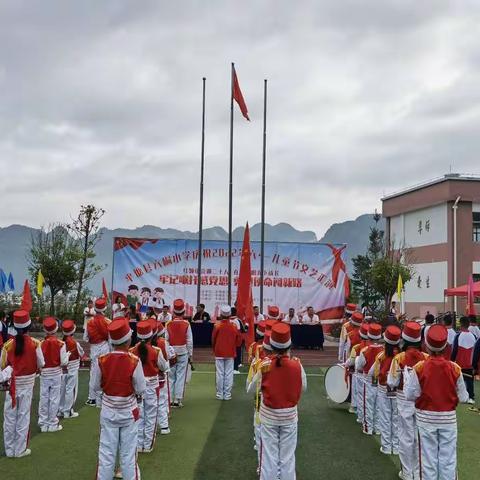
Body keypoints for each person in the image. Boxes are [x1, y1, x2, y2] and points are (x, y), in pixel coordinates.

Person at [404, 324, 469, 480]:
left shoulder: (419, 367)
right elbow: (464, 397)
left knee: (427, 461)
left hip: (425, 419)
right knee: (448, 460)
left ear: (426, 344)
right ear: (445, 345)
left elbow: (410, 395)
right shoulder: (455, 368)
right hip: (448, 419)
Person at [247, 323, 307, 480]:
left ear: (271, 346)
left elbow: (252, 388)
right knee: (287, 458)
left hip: (269, 416)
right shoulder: (297, 365)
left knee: (269, 457)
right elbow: (304, 387)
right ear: (289, 345)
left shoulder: (264, 366)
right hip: (289, 416)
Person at [95, 319, 146, 480]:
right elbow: (141, 389)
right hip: (129, 411)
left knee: (106, 454)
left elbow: (95, 386)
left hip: (109, 410)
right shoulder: (134, 360)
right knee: (128, 454)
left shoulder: (102, 359)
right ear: (128, 340)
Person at [388, 321, 428, 480]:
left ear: (404, 339)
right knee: (419, 437)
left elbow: (391, 382)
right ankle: (418, 474)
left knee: (405, 436)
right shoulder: (426, 357)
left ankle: (407, 472)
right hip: (421, 401)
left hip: (404, 399)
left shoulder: (399, 357)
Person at [1, 310, 44, 457]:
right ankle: (19, 450)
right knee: (23, 416)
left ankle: (10, 450)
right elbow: (41, 363)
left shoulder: (7, 345)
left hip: (12, 384)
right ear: (29, 326)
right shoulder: (35, 343)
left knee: (9, 418)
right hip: (27, 384)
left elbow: (2, 366)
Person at [130, 321, 168, 453]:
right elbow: (165, 367)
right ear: (151, 336)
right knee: (151, 416)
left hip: (137, 386)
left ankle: (139, 445)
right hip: (152, 385)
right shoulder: (156, 351)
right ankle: (148, 445)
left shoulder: (132, 351)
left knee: (138, 416)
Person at [370, 325, 401, 455]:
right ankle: (396, 446)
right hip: (398, 390)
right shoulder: (401, 355)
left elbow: (374, 372)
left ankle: (387, 446)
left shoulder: (381, 355)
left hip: (383, 388)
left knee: (385, 417)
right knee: (396, 418)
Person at [38, 317, 68, 433]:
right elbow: (64, 362)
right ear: (56, 329)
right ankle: (52, 423)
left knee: (44, 397)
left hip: (45, 373)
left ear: (45, 330)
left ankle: (43, 423)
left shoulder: (40, 343)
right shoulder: (60, 343)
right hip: (56, 373)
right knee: (54, 398)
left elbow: (39, 361)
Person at [355, 323, 384, 435]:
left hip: (368, 378)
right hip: (379, 380)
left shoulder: (365, 350)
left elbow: (360, 366)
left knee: (368, 404)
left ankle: (368, 428)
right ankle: (377, 428)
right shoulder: (383, 350)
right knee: (378, 405)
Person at [165, 299, 193, 407]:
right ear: (183, 312)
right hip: (183, 352)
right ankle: (177, 400)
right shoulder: (186, 324)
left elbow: (166, 340)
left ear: (174, 312)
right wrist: (191, 355)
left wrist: (169, 352)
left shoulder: (168, 324)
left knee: (171, 376)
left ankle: (170, 399)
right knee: (181, 376)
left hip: (172, 353)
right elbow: (189, 341)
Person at [84, 298, 111, 407]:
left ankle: (92, 398)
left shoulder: (90, 322)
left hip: (94, 347)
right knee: (105, 371)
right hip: (105, 346)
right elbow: (110, 338)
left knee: (94, 372)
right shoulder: (108, 321)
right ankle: (104, 396)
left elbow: (85, 338)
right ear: (104, 308)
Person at [212, 305, 241, 401]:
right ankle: (227, 394)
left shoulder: (217, 325)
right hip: (230, 352)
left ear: (221, 314)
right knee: (229, 373)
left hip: (219, 352)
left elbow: (213, 340)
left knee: (220, 373)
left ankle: (220, 394)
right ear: (229, 315)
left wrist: (215, 348)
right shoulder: (234, 326)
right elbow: (238, 340)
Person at [153, 320, 176, 435]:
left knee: (146, 405)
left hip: (145, 379)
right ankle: (164, 426)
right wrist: (166, 366)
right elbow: (171, 357)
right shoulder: (163, 343)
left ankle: (150, 428)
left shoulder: (137, 346)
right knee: (162, 401)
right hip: (160, 375)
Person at [59, 320, 84, 419]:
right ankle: (68, 411)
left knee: (62, 389)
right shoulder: (74, 343)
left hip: (62, 369)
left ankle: (60, 410)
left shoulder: (61, 342)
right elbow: (81, 353)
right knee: (71, 389)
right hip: (72, 367)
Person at [345, 321, 369, 419]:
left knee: (358, 392)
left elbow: (351, 359)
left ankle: (355, 408)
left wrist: (345, 363)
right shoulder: (380, 348)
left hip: (359, 373)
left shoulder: (357, 346)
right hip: (373, 378)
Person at [451, 316, 476, 404]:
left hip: (459, 363)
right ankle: (471, 397)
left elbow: (454, 350)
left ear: (460, 325)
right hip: (470, 363)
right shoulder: (474, 336)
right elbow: (476, 351)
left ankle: (455, 396)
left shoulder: (458, 336)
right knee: (470, 381)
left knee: (456, 380)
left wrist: (452, 360)